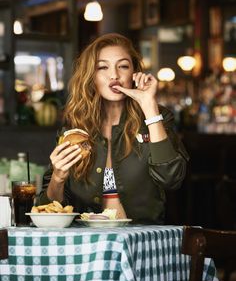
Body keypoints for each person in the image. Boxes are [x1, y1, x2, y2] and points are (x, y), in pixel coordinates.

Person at [38, 33, 189, 224]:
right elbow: (47, 209)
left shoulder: (157, 117)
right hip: (87, 242)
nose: (114, 75)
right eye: (103, 67)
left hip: (142, 240)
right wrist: (58, 177)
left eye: (123, 66)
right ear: (90, 76)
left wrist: (149, 106)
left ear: (134, 72)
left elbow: (172, 178)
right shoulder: (74, 129)